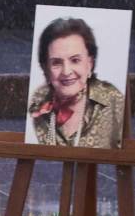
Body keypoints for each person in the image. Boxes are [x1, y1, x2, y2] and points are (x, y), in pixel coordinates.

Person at [28, 16, 124, 148]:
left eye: (75, 60)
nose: (66, 71)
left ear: (90, 63)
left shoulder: (112, 100)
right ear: (45, 69)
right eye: (56, 63)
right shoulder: (37, 102)